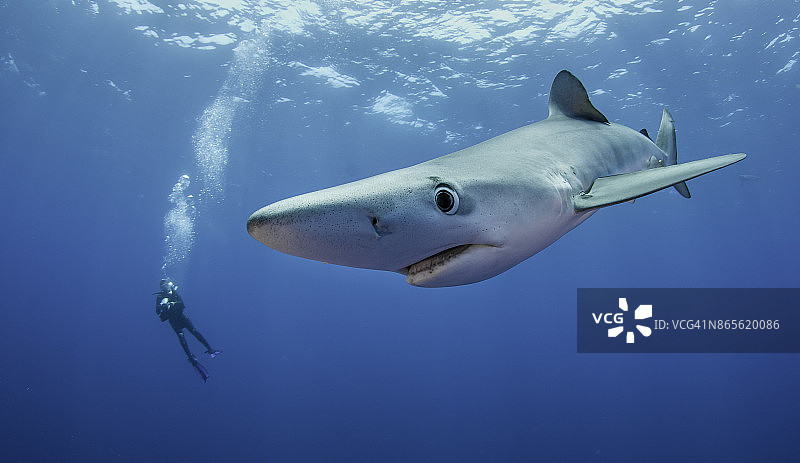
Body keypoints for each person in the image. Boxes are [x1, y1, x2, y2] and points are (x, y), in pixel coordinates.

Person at [155, 278, 220, 382]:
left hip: (181, 318)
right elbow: (158, 312)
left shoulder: (174, 293)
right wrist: (162, 306)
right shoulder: (160, 297)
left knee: (194, 332)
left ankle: (209, 349)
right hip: (174, 321)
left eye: (167, 284)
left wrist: (172, 304)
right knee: (181, 338)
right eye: (164, 285)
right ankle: (191, 358)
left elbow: (182, 304)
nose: (166, 287)